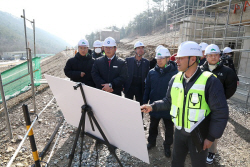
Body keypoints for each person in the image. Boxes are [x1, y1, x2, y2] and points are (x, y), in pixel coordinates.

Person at [141, 41, 229, 167]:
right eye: (176, 58)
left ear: (193, 59)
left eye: (180, 58)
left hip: (198, 134)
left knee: (198, 164)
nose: (176, 61)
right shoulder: (175, 79)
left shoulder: (210, 81)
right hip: (179, 132)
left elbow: (220, 112)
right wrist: (152, 106)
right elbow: (168, 101)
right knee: (176, 163)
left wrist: (211, 137)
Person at [201, 44, 238, 164]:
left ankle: (212, 152)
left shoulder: (226, 72)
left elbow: (231, 88)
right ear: (206, 56)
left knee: (214, 128)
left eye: (215, 55)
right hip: (201, 105)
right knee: (201, 126)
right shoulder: (200, 70)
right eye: (210, 55)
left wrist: (220, 100)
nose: (213, 57)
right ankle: (200, 146)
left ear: (219, 56)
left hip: (216, 107)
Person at [143, 47, 178, 158]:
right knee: (153, 126)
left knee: (169, 129)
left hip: (169, 107)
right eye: (158, 58)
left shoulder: (175, 73)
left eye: (162, 58)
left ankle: (167, 146)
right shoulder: (152, 72)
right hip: (154, 106)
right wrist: (145, 102)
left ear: (168, 58)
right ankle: (151, 142)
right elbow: (147, 88)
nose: (159, 60)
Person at [123, 41, 150, 129]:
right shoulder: (128, 60)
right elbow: (124, 74)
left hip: (140, 88)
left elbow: (147, 76)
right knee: (128, 105)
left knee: (140, 105)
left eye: (142, 48)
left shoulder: (146, 62)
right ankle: (128, 121)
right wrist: (123, 85)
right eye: (138, 48)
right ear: (135, 50)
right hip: (130, 87)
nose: (141, 50)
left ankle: (140, 122)